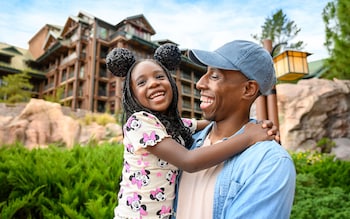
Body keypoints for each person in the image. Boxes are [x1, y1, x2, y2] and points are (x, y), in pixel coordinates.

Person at [106, 43, 279, 219]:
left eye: (160, 76)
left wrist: (256, 125)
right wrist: (248, 136)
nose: (153, 84)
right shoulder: (139, 123)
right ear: (131, 93)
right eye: (142, 82)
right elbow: (189, 161)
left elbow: (205, 123)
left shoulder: (172, 125)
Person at [175, 40, 296, 219]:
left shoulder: (270, 162)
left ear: (248, 89)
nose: (200, 83)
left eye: (215, 76)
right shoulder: (186, 142)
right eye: (205, 73)